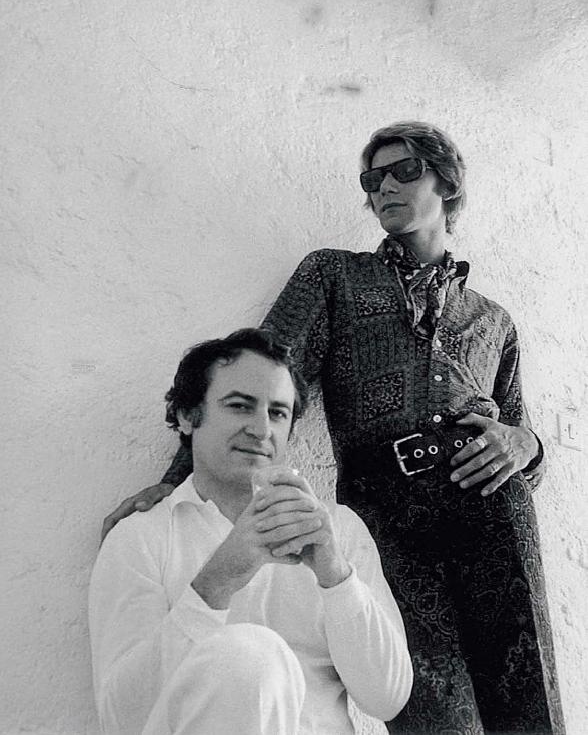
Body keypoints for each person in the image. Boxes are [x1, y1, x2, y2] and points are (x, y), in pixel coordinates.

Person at [101, 123, 565, 734]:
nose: (384, 188)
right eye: (372, 179)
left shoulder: (493, 320)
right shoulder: (333, 275)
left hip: (492, 500)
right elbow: (266, 379)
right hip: (387, 506)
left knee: (528, 695)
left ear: (447, 182)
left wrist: (526, 443)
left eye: (404, 171)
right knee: (429, 709)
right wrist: (176, 480)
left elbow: (522, 436)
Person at [89, 328, 413, 735]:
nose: (261, 430)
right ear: (188, 415)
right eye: (240, 406)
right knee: (251, 654)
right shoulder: (140, 537)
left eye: (277, 413)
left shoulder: (339, 531)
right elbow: (121, 721)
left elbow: (387, 699)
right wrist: (218, 580)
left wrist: (336, 576)